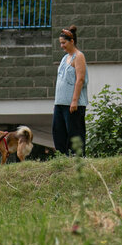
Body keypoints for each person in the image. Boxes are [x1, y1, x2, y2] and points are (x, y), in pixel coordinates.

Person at [52, 25, 89, 156]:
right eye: (60, 43)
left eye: (64, 43)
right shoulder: (64, 58)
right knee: (58, 131)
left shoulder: (79, 56)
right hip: (60, 103)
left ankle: (77, 157)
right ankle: (62, 157)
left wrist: (74, 101)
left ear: (72, 41)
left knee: (75, 132)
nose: (61, 46)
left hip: (73, 104)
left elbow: (80, 79)